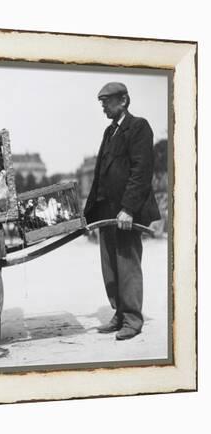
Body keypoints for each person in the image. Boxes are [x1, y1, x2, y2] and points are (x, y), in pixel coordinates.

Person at [84, 82, 161, 340]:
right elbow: (99, 174)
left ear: (124, 100)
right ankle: (119, 314)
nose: (103, 106)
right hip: (106, 211)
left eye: (107, 101)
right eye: (102, 102)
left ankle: (132, 319)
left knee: (127, 264)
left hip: (125, 213)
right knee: (111, 266)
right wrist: (89, 214)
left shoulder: (138, 127)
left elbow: (141, 172)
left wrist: (128, 209)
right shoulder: (109, 132)